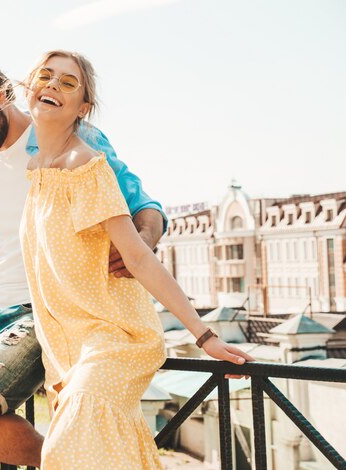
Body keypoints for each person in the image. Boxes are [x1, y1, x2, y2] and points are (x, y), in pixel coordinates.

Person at [0, 51, 168, 469]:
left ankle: (87, 460)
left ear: (1, 96)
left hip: (42, 309)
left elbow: (143, 204)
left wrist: (141, 239)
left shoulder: (64, 137)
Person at [20, 50, 254, 469]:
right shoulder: (36, 170)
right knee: (119, 457)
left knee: (62, 454)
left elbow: (140, 260)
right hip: (70, 350)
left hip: (117, 338)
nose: (53, 85)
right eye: (45, 75)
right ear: (30, 86)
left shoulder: (88, 165)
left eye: (68, 82)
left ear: (83, 107)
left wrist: (204, 337)